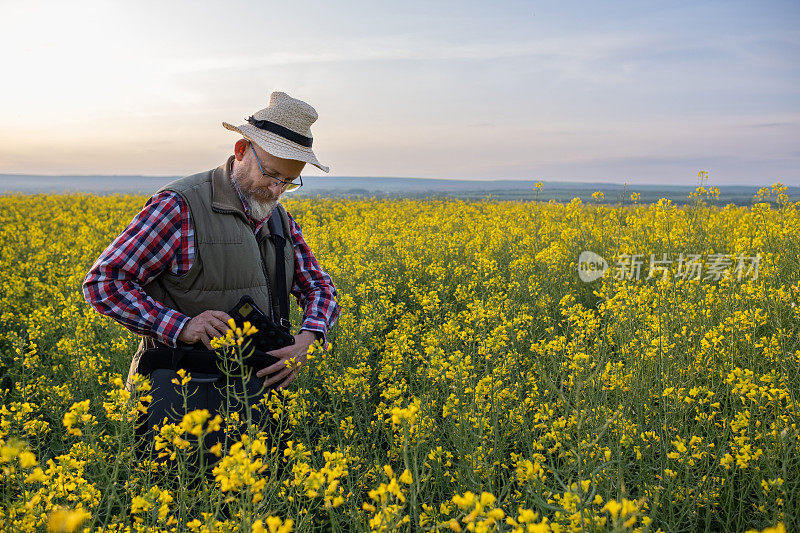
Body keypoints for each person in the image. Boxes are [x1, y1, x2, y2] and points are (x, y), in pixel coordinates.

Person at [83, 91, 340, 463]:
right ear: (240, 150)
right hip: (180, 394)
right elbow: (104, 283)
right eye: (271, 175)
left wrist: (309, 337)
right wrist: (180, 325)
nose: (276, 190)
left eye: (289, 182)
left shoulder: (279, 218)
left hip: (253, 397)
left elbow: (320, 287)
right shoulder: (180, 205)